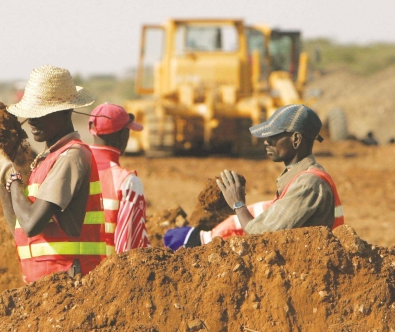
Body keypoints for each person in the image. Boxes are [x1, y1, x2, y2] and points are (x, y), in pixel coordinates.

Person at [0, 65, 109, 283]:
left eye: (41, 114)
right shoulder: (48, 160)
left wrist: (11, 176)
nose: (33, 121)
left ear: (66, 111)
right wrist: (4, 173)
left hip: (71, 284)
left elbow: (31, 224)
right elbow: (19, 226)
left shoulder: (71, 156)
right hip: (48, 286)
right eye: (30, 114)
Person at [164, 104, 344, 250]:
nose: (266, 141)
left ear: (296, 140)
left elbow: (261, 236)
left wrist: (238, 204)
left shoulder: (308, 183)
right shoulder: (298, 177)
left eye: (274, 136)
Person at [88, 103, 150, 253]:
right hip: (106, 273)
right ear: (123, 135)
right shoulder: (127, 182)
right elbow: (130, 252)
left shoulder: (69, 166)